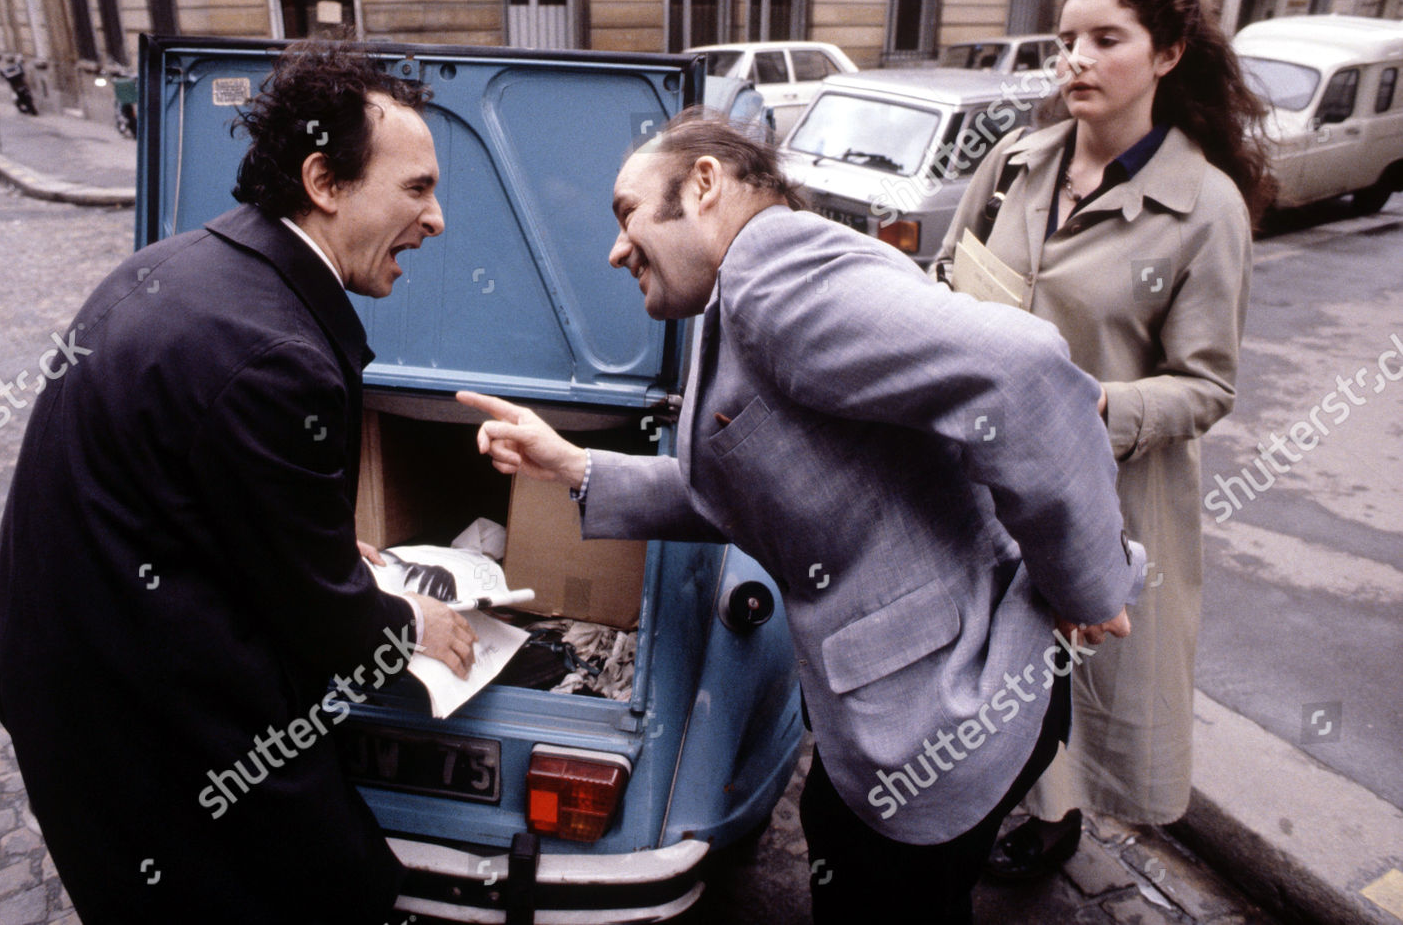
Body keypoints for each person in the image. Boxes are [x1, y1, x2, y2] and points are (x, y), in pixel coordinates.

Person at [456, 108, 1146, 923]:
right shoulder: (749, 289)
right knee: (841, 843)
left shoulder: (775, 276)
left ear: (705, 184)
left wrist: (1088, 583)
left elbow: (1025, 377)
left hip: (946, 703)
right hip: (897, 708)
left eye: (626, 212)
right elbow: (754, 496)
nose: (615, 248)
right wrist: (574, 467)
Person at [0, 41, 478, 923]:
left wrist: (320, 547)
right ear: (325, 181)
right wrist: (412, 618)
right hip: (154, 742)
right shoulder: (275, 354)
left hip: (76, 696)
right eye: (416, 189)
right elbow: (324, 625)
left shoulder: (175, 266)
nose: (437, 219)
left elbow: (181, 501)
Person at [932, 0, 1269, 878]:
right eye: (1066, 41)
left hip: (1105, 502)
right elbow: (944, 286)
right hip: (974, 484)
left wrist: (1090, 403)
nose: (1075, 60)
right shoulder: (1014, 165)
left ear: (1165, 55)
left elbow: (1207, 387)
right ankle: (971, 818)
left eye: (1104, 40)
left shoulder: (1207, 210)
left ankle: (1052, 825)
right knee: (971, 670)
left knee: (1075, 680)